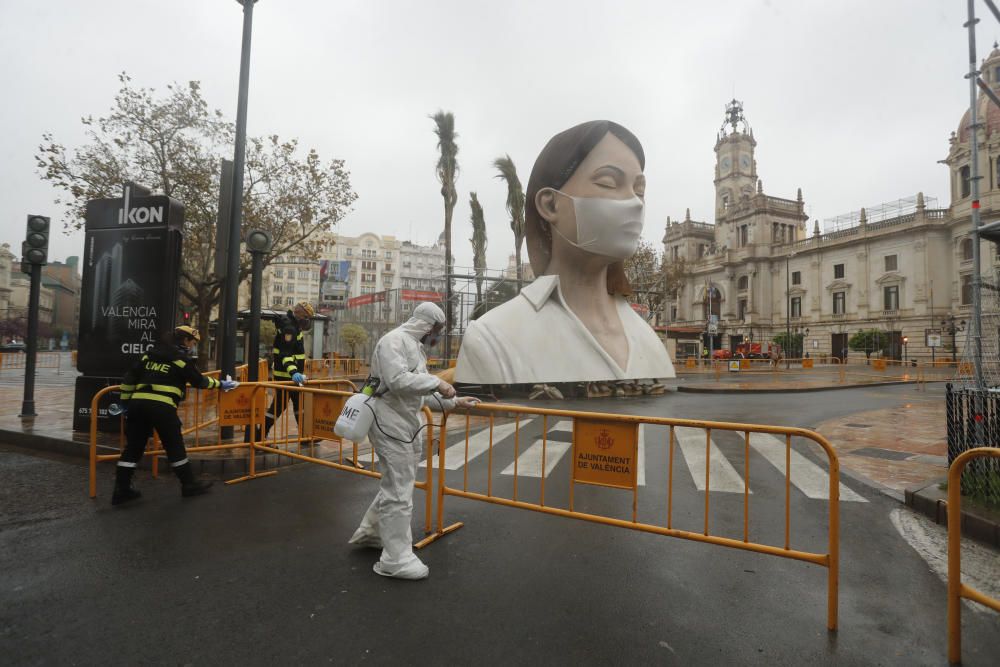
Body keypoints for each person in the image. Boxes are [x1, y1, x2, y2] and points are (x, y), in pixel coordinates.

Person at [454, 120, 675, 385]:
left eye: (639, 190)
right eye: (608, 182)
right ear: (550, 204)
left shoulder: (646, 338)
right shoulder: (493, 340)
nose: (635, 203)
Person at [349, 302, 479, 580]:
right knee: (399, 491)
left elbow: (416, 394)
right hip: (389, 423)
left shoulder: (412, 347)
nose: (438, 335)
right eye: (437, 329)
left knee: (397, 484)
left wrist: (454, 401)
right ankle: (395, 559)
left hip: (404, 424)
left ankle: (371, 533)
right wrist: (437, 383)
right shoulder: (393, 342)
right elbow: (397, 381)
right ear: (426, 324)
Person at [112, 325, 239, 505]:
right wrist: (221, 385)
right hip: (162, 407)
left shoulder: (149, 355)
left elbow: (129, 380)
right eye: (193, 343)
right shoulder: (181, 360)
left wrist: (125, 404)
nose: (193, 346)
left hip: (137, 405)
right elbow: (199, 381)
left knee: (133, 448)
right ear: (186, 341)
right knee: (174, 446)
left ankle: (121, 489)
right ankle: (188, 485)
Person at [263, 301, 314, 438]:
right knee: (279, 406)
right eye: (306, 317)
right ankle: (260, 433)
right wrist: (294, 372)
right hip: (286, 376)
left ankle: (304, 435)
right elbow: (286, 355)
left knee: (298, 404)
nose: (307, 321)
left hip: (290, 376)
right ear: (299, 314)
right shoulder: (290, 328)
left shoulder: (293, 326)